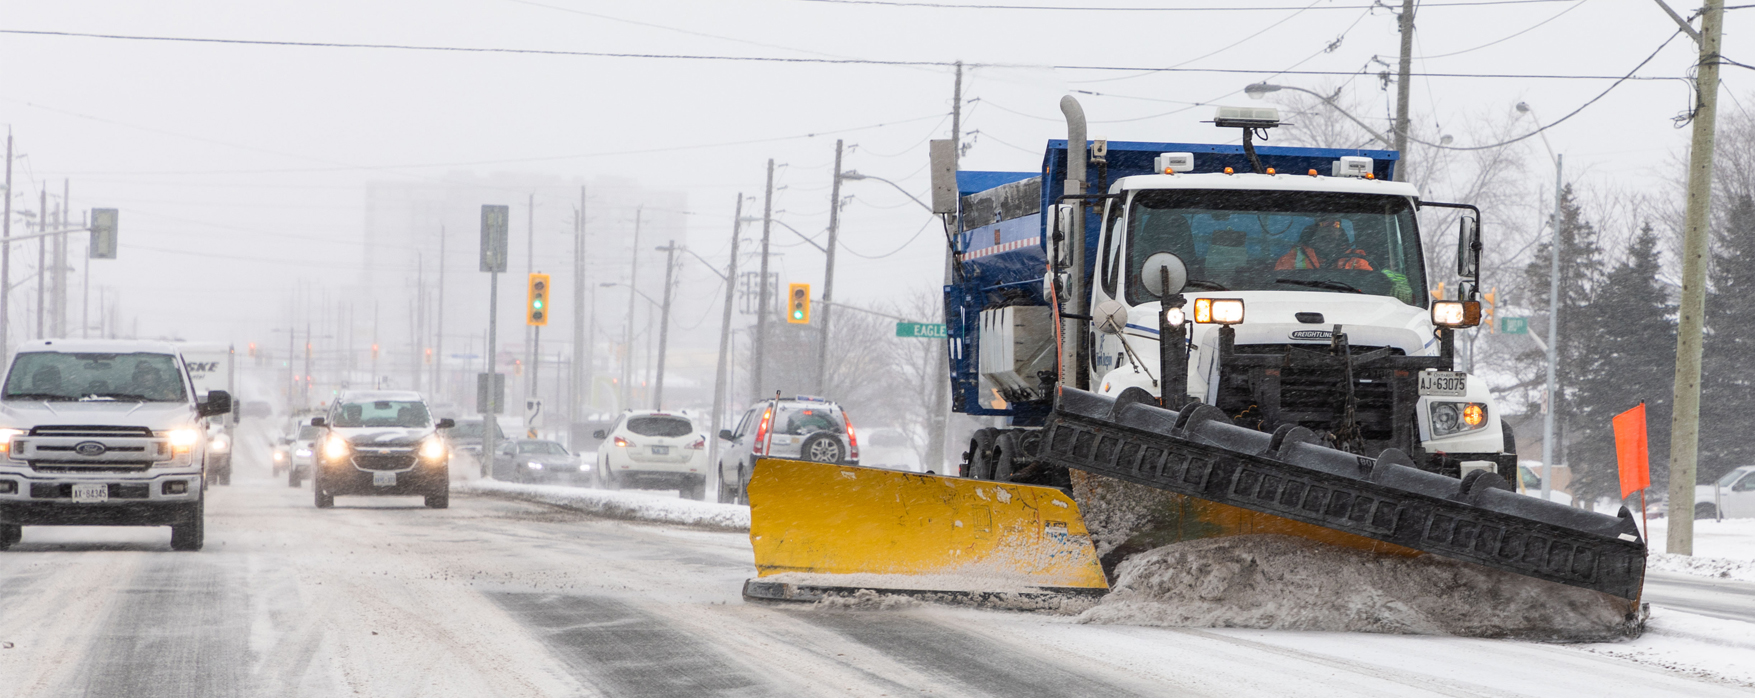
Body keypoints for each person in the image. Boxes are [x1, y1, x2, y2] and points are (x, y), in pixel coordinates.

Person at [1275, 218, 1373, 271]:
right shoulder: (1291, 259)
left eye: (1336, 224)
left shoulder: (1356, 260)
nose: (1330, 229)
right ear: (1314, 230)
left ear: (1340, 232)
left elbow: (1367, 288)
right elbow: (1278, 289)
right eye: (1325, 223)